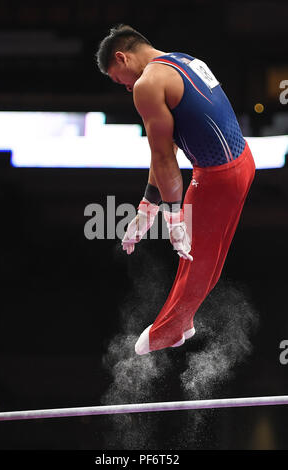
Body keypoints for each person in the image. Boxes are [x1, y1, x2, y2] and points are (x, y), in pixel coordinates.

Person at [96, 25, 256, 355]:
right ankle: (183, 322)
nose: (126, 87)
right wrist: (147, 209)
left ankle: (171, 328)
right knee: (209, 255)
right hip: (243, 163)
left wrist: (174, 216)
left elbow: (165, 157)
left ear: (122, 57)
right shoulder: (183, 60)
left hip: (216, 177)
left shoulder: (147, 84)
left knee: (195, 258)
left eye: (119, 79)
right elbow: (164, 151)